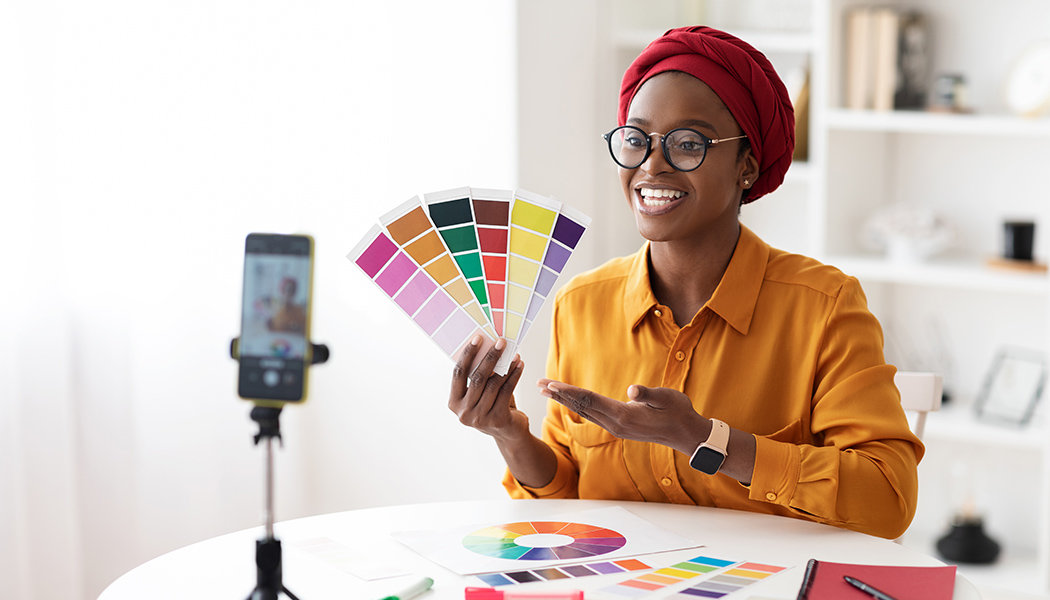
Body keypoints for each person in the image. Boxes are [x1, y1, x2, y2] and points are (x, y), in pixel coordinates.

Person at [448, 26, 923, 540]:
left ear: (746, 165)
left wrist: (704, 438)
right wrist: (508, 434)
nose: (652, 165)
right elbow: (569, 503)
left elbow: (887, 500)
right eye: (636, 139)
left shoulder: (824, 306)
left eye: (687, 143)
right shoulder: (581, 303)